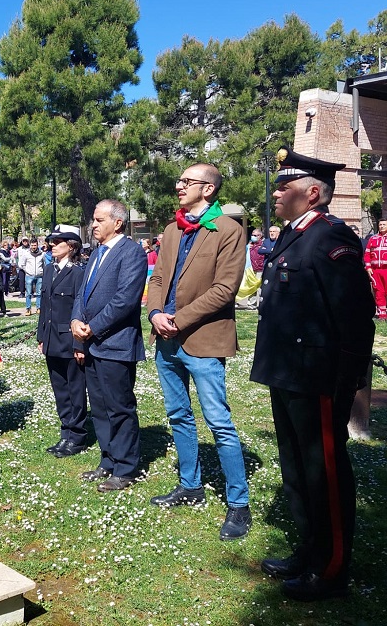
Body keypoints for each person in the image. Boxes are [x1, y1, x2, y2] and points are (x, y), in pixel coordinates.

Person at [251, 148, 374, 601]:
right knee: (296, 469)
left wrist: (349, 377)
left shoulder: (329, 239)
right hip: (286, 372)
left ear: (314, 193)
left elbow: (355, 316)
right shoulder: (292, 235)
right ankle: (308, 550)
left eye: (285, 186)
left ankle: (332, 566)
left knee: (324, 471)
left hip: (318, 376)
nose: (277, 193)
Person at [146, 164, 252, 540]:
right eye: (179, 180)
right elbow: (157, 277)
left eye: (186, 181)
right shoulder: (173, 229)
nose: (178, 186)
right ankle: (190, 487)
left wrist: (178, 318)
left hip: (203, 340)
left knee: (218, 422)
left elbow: (225, 289)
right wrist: (156, 312)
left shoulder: (229, 230)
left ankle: (239, 504)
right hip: (167, 339)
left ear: (207, 189)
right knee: (178, 415)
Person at [71, 199, 148, 492]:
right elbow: (83, 293)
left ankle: (126, 468)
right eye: (93, 219)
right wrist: (76, 320)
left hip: (115, 343)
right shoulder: (96, 254)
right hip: (91, 344)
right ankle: (108, 459)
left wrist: (93, 327)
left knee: (119, 407)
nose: (93, 224)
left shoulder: (132, 254)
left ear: (117, 222)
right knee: (100, 408)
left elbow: (125, 300)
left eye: (99, 219)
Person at [37, 225, 87, 458]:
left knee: (75, 389)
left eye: (58, 242)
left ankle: (76, 436)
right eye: (52, 242)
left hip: (69, 341)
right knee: (60, 390)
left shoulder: (78, 273)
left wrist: (80, 344)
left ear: (72, 246)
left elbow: (81, 310)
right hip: (51, 340)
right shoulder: (49, 270)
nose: (53, 245)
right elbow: (45, 306)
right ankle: (65, 432)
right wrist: (41, 337)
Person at [20, 237, 46, 315]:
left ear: (37, 245)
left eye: (35, 245)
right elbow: (22, 264)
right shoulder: (26, 254)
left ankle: (39, 308)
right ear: (30, 245)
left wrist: (42, 272)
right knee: (28, 293)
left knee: (39, 293)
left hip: (39, 276)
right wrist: (27, 271)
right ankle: (28, 309)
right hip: (29, 276)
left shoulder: (42, 254)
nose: (33, 247)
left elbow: (45, 264)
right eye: (32, 245)